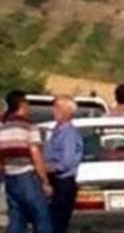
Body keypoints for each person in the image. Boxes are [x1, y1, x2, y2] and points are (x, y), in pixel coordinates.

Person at [0, 90, 53, 233]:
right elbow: (35, 152)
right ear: (22, 104)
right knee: (41, 215)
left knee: (17, 216)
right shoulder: (28, 125)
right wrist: (44, 180)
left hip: (10, 177)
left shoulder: (3, 127)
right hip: (27, 176)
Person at [44, 95, 83, 233]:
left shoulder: (68, 133)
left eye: (57, 107)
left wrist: (49, 168)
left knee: (58, 223)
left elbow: (67, 161)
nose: (53, 110)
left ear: (68, 111)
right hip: (56, 182)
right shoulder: (55, 130)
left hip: (63, 183)